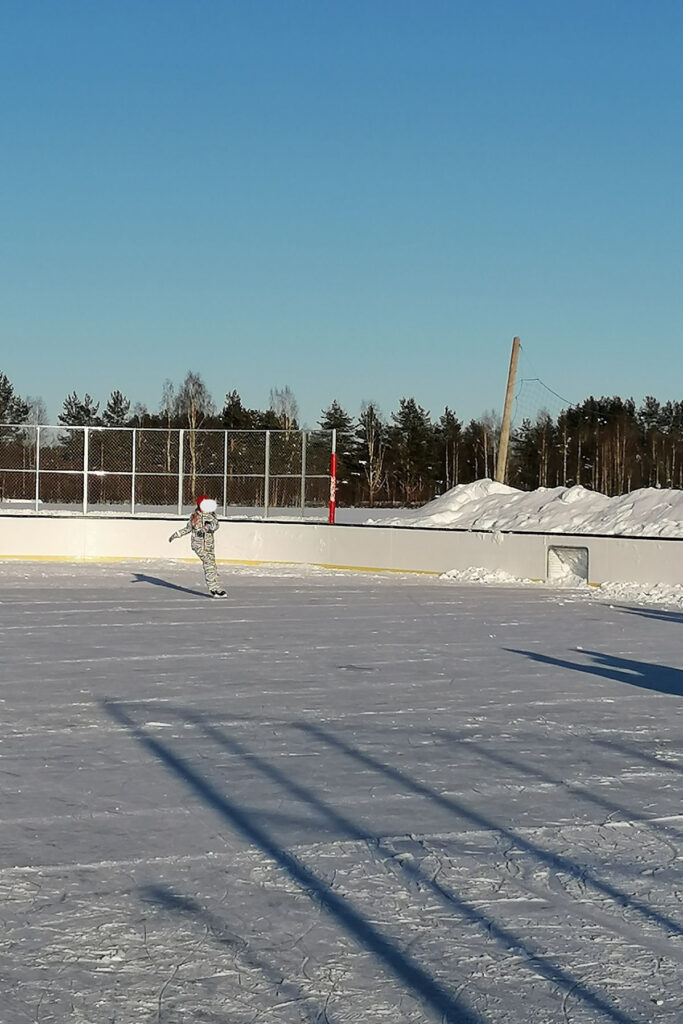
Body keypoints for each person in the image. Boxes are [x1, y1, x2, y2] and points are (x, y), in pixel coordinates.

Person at [169, 495, 227, 597]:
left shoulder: (212, 516)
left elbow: (216, 525)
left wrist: (208, 527)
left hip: (209, 546)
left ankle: (216, 587)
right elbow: (188, 528)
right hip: (198, 545)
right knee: (208, 563)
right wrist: (176, 534)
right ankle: (213, 588)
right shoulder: (195, 516)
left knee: (212, 566)